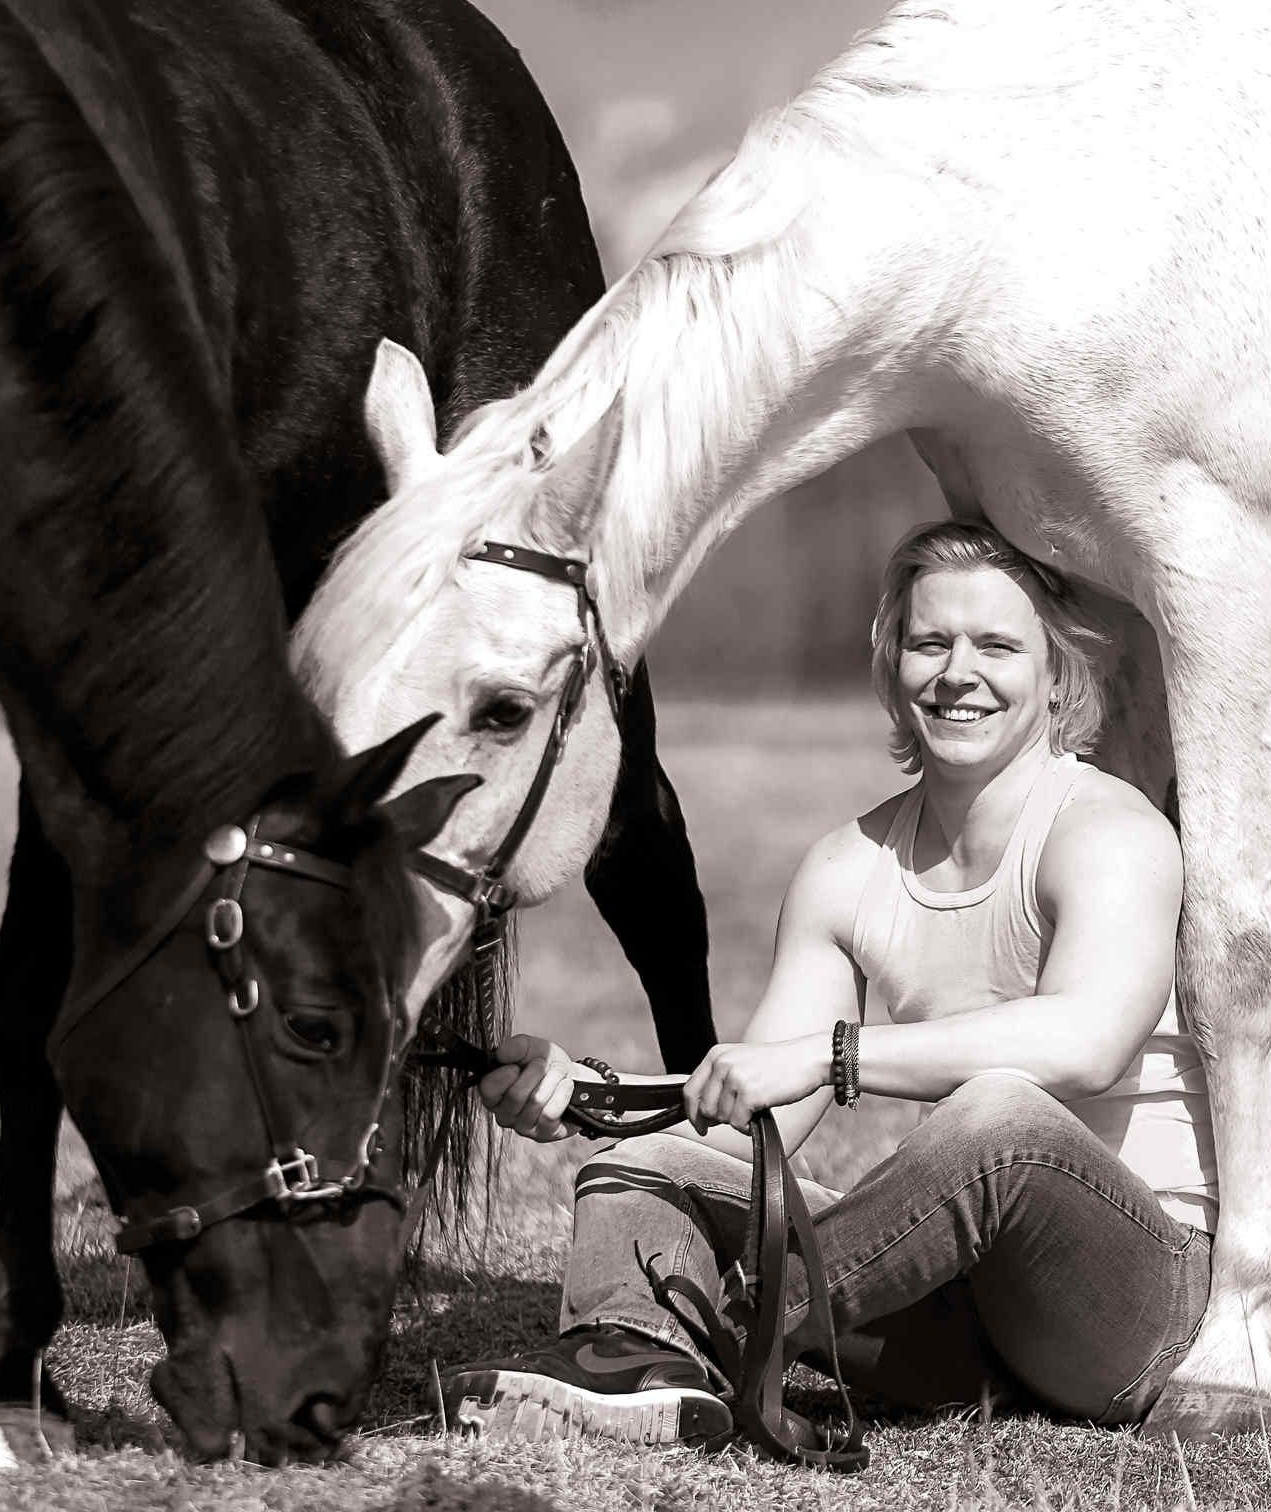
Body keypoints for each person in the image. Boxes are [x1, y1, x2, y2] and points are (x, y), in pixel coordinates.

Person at [443, 519, 1216, 1444]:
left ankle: (721, 1333)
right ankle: (629, 1365)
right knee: (640, 1167)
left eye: (998, 646)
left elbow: (1087, 1046)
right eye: (930, 642)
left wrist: (830, 1056)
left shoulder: (1111, 833)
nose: (957, 672)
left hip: (1134, 1309)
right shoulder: (846, 867)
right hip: (957, 1312)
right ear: (892, 665)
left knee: (997, 1115)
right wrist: (592, 1097)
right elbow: (755, 1112)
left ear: (1059, 675)